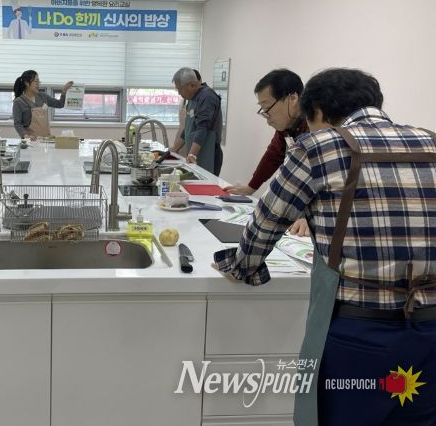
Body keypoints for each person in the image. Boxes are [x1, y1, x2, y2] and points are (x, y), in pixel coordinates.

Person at [213, 68, 436, 426]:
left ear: (316, 112)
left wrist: (242, 267)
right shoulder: (430, 141)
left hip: (360, 333)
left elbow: (267, 221)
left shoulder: (318, 146)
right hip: (429, 332)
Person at [224, 69, 310, 235]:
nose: (267, 117)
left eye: (267, 107)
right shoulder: (287, 127)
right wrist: (251, 187)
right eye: (262, 109)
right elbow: (273, 155)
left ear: (293, 98)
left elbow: (330, 177)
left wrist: (310, 216)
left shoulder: (317, 125)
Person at [168, 67, 223, 175]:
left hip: (208, 154)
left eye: (180, 89)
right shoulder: (192, 98)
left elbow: (202, 128)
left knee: (205, 184)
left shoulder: (207, 97)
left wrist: (192, 155)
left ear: (192, 85)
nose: (179, 93)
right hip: (196, 154)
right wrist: (174, 150)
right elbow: (188, 128)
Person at [12, 70, 73, 139]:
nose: (38, 84)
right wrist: (26, 136)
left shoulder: (43, 97)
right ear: (26, 83)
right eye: (36, 81)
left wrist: (64, 91)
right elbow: (18, 124)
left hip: (46, 140)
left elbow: (60, 104)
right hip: (31, 141)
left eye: (39, 82)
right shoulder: (18, 102)